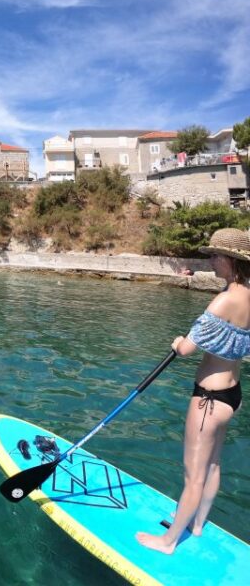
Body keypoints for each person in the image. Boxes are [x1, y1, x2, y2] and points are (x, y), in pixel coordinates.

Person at [137, 228, 250, 554]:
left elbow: (187, 348)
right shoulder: (247, 295)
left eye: (215, 256)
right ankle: (197, 524)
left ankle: (168, 541)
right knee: (213, 465)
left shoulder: (224, 299)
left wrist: (177, 342)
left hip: (208, 402)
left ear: (231, 260)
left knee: (193, 476)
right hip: (233, 395)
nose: (211, 261)